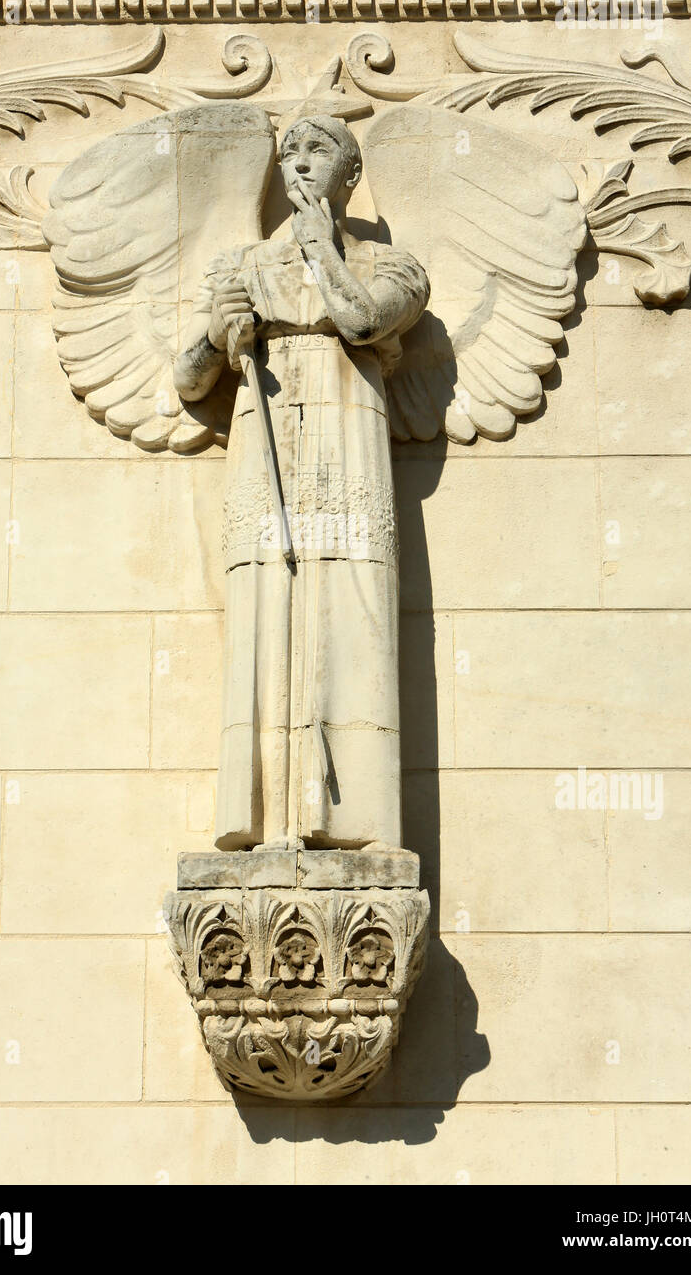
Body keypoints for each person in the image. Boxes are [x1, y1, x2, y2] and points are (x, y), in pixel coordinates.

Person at [175, 115, 429, 850]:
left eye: (319, 150)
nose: (299, 164)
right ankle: (260, 819)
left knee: (354, 605)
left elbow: (360, 321)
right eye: (290, 152)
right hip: (267, 444)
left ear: (351, 172)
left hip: (351, 447)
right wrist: (217, 334)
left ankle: (356, 821)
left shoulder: (389, 264)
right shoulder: (243, 265)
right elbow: (189, 380)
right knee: (265, 606)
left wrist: (324, 252)